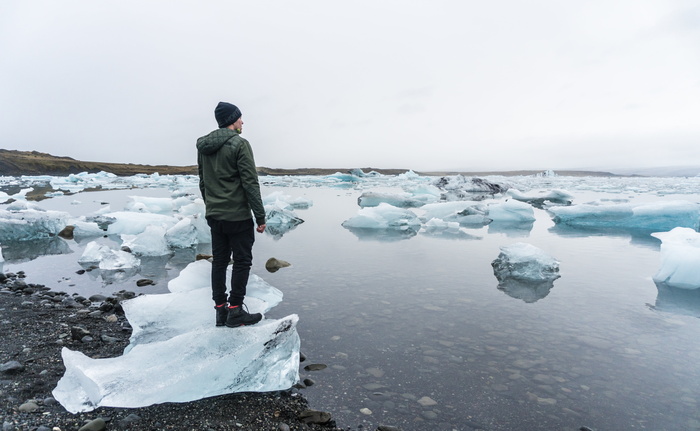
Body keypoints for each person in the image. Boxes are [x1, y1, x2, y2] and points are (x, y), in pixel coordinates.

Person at [196, 101, 267, 328]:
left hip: (215, 216)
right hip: (237, 216)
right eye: (240, 118)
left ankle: (220, 311)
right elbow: (250, 182)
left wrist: (211, 207)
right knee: (242, 261)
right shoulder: (240, 144)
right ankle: (235, 311)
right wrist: (260, 216)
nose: (242, 121)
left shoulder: (203, 147)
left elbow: (203, 181)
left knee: (219, 262)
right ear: (231, 120)